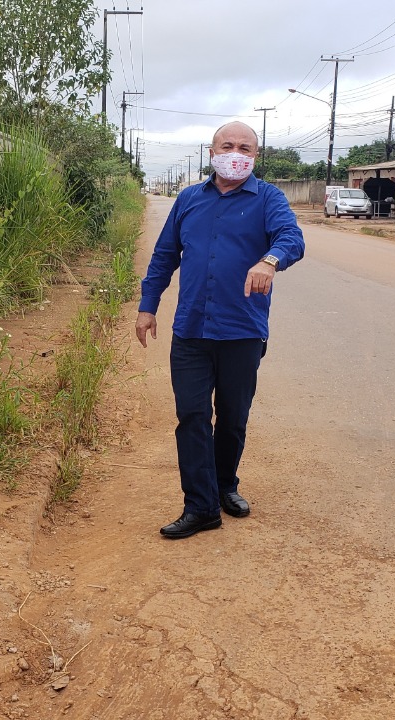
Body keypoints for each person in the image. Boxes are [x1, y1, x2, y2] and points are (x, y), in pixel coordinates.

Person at [135, 121, 305, 539]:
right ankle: (201, 506)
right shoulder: (189, 199)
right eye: (227, 145)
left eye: (245, 147)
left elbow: (292, 237)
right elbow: (163, 256)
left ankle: (225, 485)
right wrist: (147, 306)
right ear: (211, 151)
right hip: (191, 330)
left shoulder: (268, 199)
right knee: (192, 416)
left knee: (232, 418)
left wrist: (270, 260)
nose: (236, 152)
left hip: (242, 332)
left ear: (255, 156)